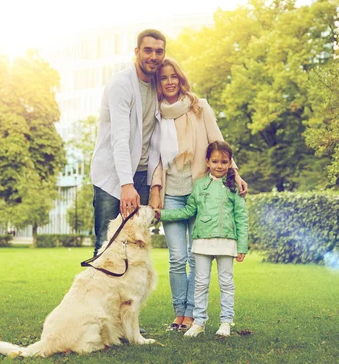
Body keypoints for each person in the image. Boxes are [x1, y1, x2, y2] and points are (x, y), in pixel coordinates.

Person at [149, 58, 247, 331]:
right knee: (177, 257)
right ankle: (178, 313)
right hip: (171, 193)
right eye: (164, 78)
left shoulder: (199, 106)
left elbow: (219, 141)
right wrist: (156, 190)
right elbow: (155, 156)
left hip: (198, 191)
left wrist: (234, 172)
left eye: (174, 76)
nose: (169, 82)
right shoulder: (156, 114)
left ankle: (192, 316)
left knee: (195, 257)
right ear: (159, 83)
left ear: (181, 79)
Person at [156, 140, 248, 338]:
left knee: (226, 283)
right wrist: (163, 215)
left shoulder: (233, 187)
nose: (219, 166)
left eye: (224, 162)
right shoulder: (198, 186)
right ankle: (198, 322)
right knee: (200, 283)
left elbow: (241, 217)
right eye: (215, 161)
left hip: (226, 242)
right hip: (202, 242)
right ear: (207, 162)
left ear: (230, 163)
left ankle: (226, 322)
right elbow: (189, 210)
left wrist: (242, 246)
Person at [90, 29, 166, 257]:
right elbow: (120, 139)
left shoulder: (158, 85)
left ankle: (127, 293)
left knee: (136, 244)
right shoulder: (121, 84)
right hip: (112, 176)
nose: (153, 56)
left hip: (142, 175)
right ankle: (98, 292)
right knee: (107, 244)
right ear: (137, 52)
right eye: (148, 50)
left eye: (159, 51)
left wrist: (155, 187)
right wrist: (126, 185)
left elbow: (159, 140)